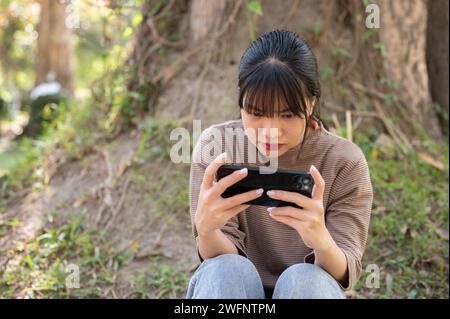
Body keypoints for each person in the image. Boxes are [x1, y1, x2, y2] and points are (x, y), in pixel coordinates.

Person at [187, 30, 373, 299]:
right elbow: (219, 268)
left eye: (287, 114)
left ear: (310, 105)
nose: (271, 131)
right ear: (241, 101)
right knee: (226, 270)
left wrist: (320, 240)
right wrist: (207, 229)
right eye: (257, 112)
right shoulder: (217, 148)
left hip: (309, 290)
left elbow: (344, 272)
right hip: (236, 290)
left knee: (305, 280)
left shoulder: (344, 162)